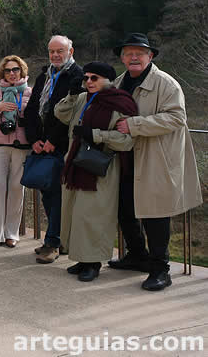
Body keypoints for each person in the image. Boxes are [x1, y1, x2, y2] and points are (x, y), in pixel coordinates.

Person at [110, 33, 203, 291]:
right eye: (128, 53)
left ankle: (161, 269)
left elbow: (176, 118)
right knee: (125, 209)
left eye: (139, 53)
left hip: (156, 159)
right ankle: (137, 255)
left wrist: (134, 125)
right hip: (127, 158)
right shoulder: (119, 82)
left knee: (156, 215)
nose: (134, 57)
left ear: (150, 56)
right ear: (122, 58)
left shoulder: (166, 83)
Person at [51, 62, 136, 282]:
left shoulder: (119, 103)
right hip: (76, 164)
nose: (88, 82)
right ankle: (82, 259)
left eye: (94, 78)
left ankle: (94, 262)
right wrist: (71, 95)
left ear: (108, 80)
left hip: (101, 169)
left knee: (94, 216)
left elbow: (126, 141)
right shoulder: (82, 98)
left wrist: (96, 135)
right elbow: (59, 113)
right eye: (86, 78)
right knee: (76, 214)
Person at [23, 35, 84, 264]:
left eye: (60, 51)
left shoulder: (77, 77)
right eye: (52, 51)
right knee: (47, 193)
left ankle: (54, 242)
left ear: (71, 51)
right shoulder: (44, 76)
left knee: (58, 197)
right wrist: (34, 139)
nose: (56, 55)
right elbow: (31, 111)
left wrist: (53, 140)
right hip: (42, 146)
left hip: (61, 147)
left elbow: (70, 114)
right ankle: (55, 239)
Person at [0, 56, 33, 248]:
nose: (12, 74)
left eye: (15, 70)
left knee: (16, 188)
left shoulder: (30, 92)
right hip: (0, 145)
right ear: (2, 73)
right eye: (8, 70)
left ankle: (12, 233)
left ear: (22, 71)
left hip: (21, 146)